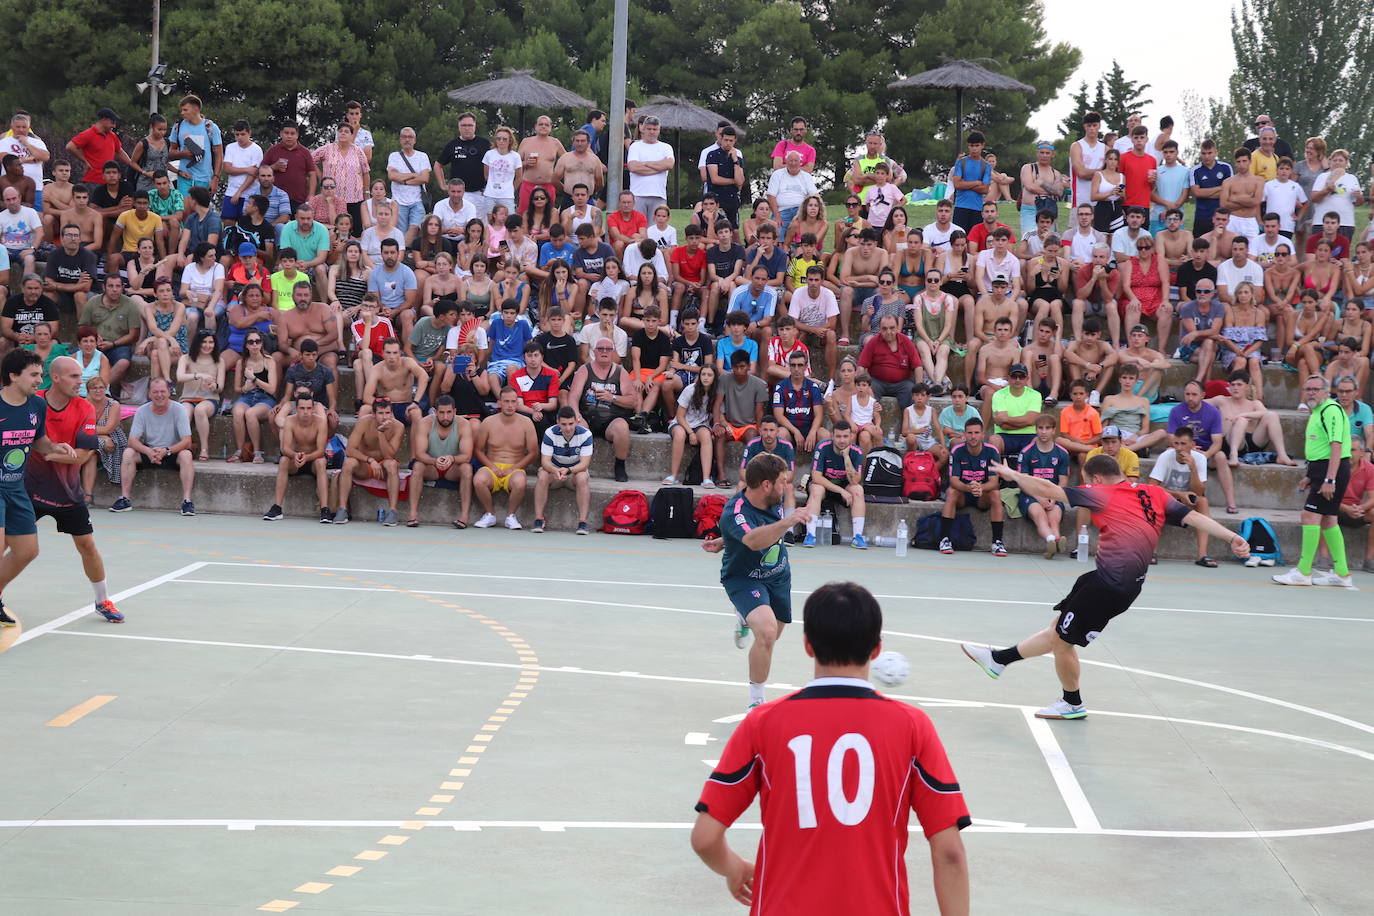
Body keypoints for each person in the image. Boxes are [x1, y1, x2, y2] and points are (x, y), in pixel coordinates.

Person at [692, 580, 969, 916]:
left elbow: (705, 838)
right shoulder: (912, 726)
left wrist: (734, 867)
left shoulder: (763, 722)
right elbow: (949, 853)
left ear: (808, 646)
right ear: (876, 649)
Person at [961, 454, 1248, 719]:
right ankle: (998, 660)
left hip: (1110, 586)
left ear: (1096, 480)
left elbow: (1047, 490)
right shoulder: (1154, 493)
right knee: (1057, 628)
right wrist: (1231, 536)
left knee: (1062, 641)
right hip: (1111, 580)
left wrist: (1012, 473)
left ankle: (1071, 703)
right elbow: (1194, 516)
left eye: (1087, 481)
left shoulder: (1101, 494)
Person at [702, 451, 812, 709]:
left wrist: (726, 540)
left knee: (774, 635)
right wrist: (787, 522)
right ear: (766, 485)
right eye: (782, 481)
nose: (786, 486)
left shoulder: (769, 499)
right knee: (766, 631)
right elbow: (752, 540)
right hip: (743, 577)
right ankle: (757, 702)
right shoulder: (734, 513)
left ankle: (745, 617)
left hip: (778, 575)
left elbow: (753, 531)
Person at [0, 350, 80, 629]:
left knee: (27, 551)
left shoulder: (37, 406)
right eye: (33, 375)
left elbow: (39, 440)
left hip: (16, 487)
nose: (39, 380)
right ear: (13, 376)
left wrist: (54, 447)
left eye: (40, 374)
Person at [1273, 376, 1356, 588]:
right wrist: (1312, 475)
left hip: (1332, 470)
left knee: (1309, 515)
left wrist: (1329, 479)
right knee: (1329, 520)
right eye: (1308, 389)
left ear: (1327, 392)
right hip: (1322, 469)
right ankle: (1342, 573)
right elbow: (1320, 447)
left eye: (1316, 389)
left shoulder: (1330, 410)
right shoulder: (1318, 411)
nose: (1311, 392)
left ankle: (1303, 571)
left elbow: (1336, 446)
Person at [109, 377, 195, 516]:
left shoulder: (179, 410)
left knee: (187, 454)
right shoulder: (142, 411)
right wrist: (148, 451)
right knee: (128, 453)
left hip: (171, 451)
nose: (159, 395)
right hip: (150, 451)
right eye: (155, 392)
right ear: (149, 393)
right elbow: (132, 440)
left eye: (162, 391)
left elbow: (187, 441)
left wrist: (167, 451)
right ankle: (125, 499)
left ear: (169, 392)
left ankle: (187, 501)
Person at [472, 387, 538, 529]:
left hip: (514, 468)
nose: (510, 405)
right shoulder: (488, 422)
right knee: (478, 480)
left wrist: (513, 468)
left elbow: (533, 452)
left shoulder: (526, 423)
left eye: (513, 401)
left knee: (520, 483)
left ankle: (511, 516)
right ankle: (490, 514)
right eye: (506, 401)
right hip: (492, 466)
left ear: (517, 403)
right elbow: (478, 450)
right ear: (499, 403)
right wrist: (492, 467)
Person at [332, 396, 404, 526]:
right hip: (365, 465)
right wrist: (370, 460)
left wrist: (381, 433)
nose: (385, 417)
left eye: (388, 413)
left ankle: (393, 511)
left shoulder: (399, 426)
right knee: (348, 462)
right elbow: (350, 450)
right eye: (381, 413)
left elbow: (389, 455)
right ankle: (342, 509)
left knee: (392, 464)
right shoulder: (364, 422)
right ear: (373, 413)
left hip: (383, 466)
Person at [940, 416, 1006, 557]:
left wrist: (981, 488)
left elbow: (994, 482)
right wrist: (970, 488)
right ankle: (945, 539)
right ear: (964, 435)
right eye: (969, 433)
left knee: (995, 494)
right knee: (951, 492)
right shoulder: (957, 450)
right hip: (963, 494)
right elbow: (954, 481)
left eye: (976, 433)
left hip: (983, 496)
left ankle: (997, 542)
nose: (973, 436)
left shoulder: (992, 451)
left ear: (983, 435)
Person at [262, 389, 329, 523]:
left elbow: (321, 451)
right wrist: (295, 455)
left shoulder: (321, 422)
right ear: (296, 408)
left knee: (321, 462)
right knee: (283, 460)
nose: (306, 412)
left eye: (309, 408)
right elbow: (285, 448)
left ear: (313, 409)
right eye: (302, 408)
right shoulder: (289, 421)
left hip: (313, 460)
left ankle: (325, 510)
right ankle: (277, 508)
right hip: (294, 461)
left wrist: (307, 457)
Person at [407, 394, 473, 529]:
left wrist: (452, 458)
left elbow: (466, 456)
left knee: (467, 469)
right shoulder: (425, 423)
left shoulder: (463, 424)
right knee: (418, 467)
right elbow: (419, 454)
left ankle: (464, 516)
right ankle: (412, 514)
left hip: (452, 468)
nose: (445, 417)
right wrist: (434, 461)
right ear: (435, 412)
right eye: (441, 413)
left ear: (455, 411)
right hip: (431, 466)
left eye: (449, 412)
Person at [802, 420, 867, 549]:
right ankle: (810, 535)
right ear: (832, 435)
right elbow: (816, 477)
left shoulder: (857, 452)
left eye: (845, 436)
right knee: (816, 489)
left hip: (844, 486)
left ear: (851, 436)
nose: (842, 440)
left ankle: (858, 536)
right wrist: (841, 491)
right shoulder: (822, 447)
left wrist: (846, 457)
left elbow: (855, 481)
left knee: (858, 490)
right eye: (838, 436)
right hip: (824, 486)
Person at [532, 406, 593, 534]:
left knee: (582, 477)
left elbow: (584, 464)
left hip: (574, 472)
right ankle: (538, 519)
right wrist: (555, 471)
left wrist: (568, 470)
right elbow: (545, 462)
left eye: (571, 423)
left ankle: (583, 522)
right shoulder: (550, 433)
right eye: (564, 424)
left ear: (577, 421)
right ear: (557, 422)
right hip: (554, 472)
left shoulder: (586, 434)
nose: (568, 428)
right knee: (542, 475)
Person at [1018, 414, 1071, 558]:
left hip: (1052, 494)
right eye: (1040, 428)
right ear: (1036, 430)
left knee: (1054, 518)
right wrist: (1039, 498)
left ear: (1054, 430)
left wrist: (1053, 497)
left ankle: (1056, 541)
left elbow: (1063, 480)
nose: (1043, 432)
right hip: (1031, 495)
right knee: (1040, 515)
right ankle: (1051, 540)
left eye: (1048, 428)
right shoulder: (1027, 452)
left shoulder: (1062, 453)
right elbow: (1023, 481)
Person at [857, 313, 922, 410]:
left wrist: (919, 389)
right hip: (877, 382)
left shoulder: (906, 341)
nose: (888, 332)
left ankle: (909, 424)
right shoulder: (873, 342)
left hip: (902, 384)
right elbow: (861, 366)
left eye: (892, 328)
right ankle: (869, 423)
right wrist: (859, 386)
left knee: (910, 390)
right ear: (880, 329)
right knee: (868, 390)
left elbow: (918, 366)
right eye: (884, 328)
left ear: (897, 328)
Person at [626, 116, 674, 220]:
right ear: (643, 129)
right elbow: (633, 167)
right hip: (638, 195)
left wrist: (645, 163)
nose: (652, 132)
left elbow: (669, 164)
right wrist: (659, 167)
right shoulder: (635, 146)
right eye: (649, 129)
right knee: (638, 229)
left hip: (659, 195)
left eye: (655, 129)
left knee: (656, 230)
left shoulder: (666, 147)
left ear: (659, 130)